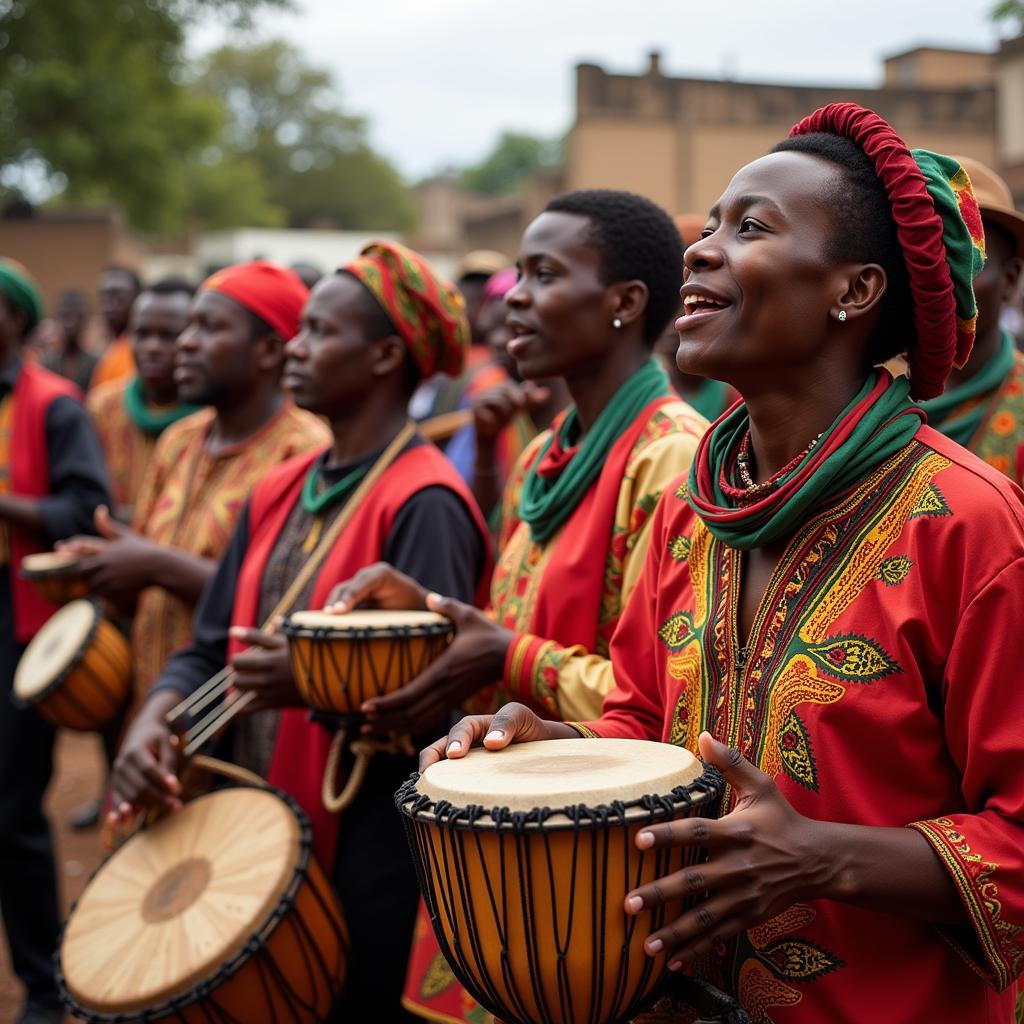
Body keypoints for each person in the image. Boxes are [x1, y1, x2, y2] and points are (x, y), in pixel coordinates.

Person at [420, 105, 1024, 1023]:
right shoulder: (689, 513)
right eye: (707, 226)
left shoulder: (970, 526)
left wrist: (824, 856)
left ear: (854, 291)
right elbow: (644, 724)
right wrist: (559, 747)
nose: (701, 251)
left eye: (750, 228)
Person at [325, 190, 709, 1023]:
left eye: (544, 274)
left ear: (624, 303)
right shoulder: (547, 451)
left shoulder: (671, 453)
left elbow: (662, 701)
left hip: (590, 865)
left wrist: (503, 656)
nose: (514, 298)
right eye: (515, 274)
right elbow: (516, 619)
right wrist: (427, 607)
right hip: (501, 842)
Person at [108, 241, 490, 1023]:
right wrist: (152, 720)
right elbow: (208, 645)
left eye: (318, 333)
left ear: (385, 355)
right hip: (249, 824)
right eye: (299, 330)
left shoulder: (426, 500)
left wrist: (306, 682)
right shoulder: (279, 488)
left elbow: (437, 705)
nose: (296, 348)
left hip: (366, 853)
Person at [60, 261, 329, 708]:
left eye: (208, 328)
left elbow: (283, 605)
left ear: (267, 351)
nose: (185, 343)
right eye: (189, 326)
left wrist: (154, 564)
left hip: (234, 716)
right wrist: (110, 559)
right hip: (154, 701)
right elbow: (145, 563)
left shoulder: (305, 451)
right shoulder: (180, 441)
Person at [0, 259, 110, 1024]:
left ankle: (42, 983)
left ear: (16, 319)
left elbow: (85, 509)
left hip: (22, 621)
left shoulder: (56, 406)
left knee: (10, 808)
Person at [919, 156, 1024, 484]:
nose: (937, 280)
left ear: (1009, 280)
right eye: (923, 258)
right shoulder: (861, 396)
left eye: (966, 263)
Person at [443, 267, 569, 517]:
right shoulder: (490, 397)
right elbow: (481, 518)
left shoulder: (580, 413)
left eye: (512, 329)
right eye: (491, 330)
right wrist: (486, 444)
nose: (499, 341)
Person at [86, 278, 200, 522]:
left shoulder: (214, 417)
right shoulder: (103, 407)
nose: (152, 347)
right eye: (141, 334)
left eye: (168, 336)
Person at [90, 266, 142, 389]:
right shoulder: (107, 348)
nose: (109, 304)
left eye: (119, 296)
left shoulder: (139, 349)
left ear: (138, 298)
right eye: (104, 297)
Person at [43, 290, 97, 391]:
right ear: (56, 319)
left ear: (86, 320)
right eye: (65, 316)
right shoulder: (47, 364)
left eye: (77, 317)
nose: (70, 323)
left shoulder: (96, 364)